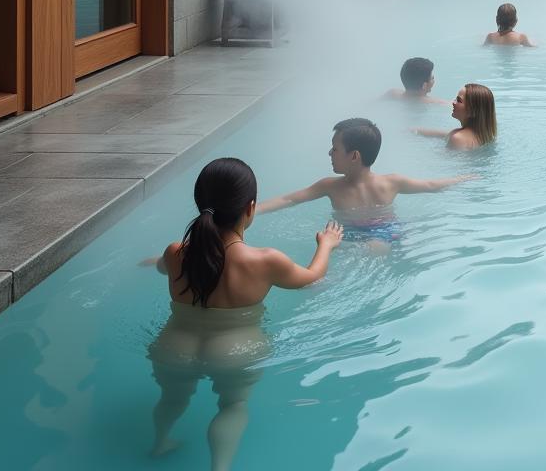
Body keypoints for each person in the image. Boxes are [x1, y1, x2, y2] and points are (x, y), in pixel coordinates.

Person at [148, 157, 342, 470]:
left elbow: (161, 265)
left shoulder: (176, 252)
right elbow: (311, 278)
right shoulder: (264, 261)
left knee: (170, 399)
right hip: (234, 350)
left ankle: (159, 443)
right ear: (250, 208)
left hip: (174, 345)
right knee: (232, 406)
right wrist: (326, 245)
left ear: (200, 203)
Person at [257, 118, 472, 249]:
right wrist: (252, 210)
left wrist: (464, 179)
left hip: (385, 232)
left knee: (374, 248)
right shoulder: (329, 186)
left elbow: (431, 186)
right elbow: (290, 198)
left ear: (354, 156)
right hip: (353, 235)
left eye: (335, 149)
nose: (330, 153)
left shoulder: (390, 182)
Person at [415, 83, 497, 150]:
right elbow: (443, 134)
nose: (453, 102)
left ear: (472, 111)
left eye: (459, 100)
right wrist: (415, 131)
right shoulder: (487, 136)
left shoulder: (457, 138)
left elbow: (447, 166)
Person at [383, 56, 447, 104]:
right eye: (432, 78)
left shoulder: (392, 94)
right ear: (424, 85)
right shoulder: (435, 103)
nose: (433, 80)